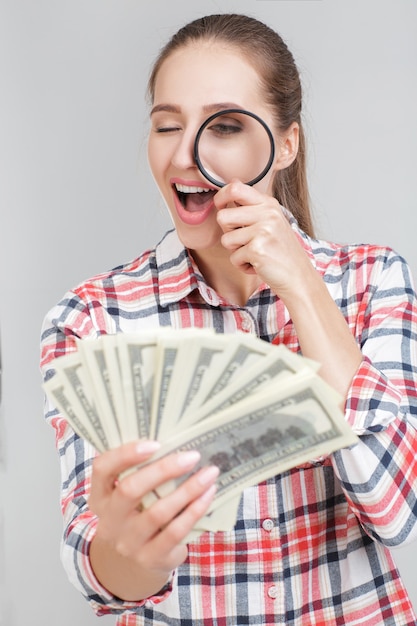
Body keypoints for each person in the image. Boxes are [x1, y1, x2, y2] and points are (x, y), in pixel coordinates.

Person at [40, 12, 417, 626]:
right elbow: (102, 572)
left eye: (226, 126)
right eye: (167, 125)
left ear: (285, 145)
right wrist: (139, 552)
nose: (187, 155)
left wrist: (301, 283)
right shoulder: (91, 318)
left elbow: (396, 509)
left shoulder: (373, 281)